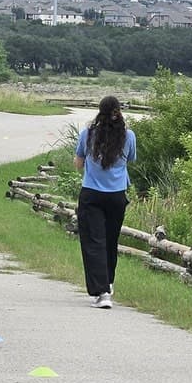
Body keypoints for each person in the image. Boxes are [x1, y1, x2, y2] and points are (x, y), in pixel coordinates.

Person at [74, 94, 137, 308]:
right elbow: (131, 159)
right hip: (117, 196)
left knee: (94, 241)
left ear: (99, 111)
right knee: (110, 240)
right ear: (119, 111)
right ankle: (108, 282)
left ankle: (102, 292)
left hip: (92, 193)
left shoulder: (87, 134)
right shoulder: (129, 136)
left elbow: (78, 163)